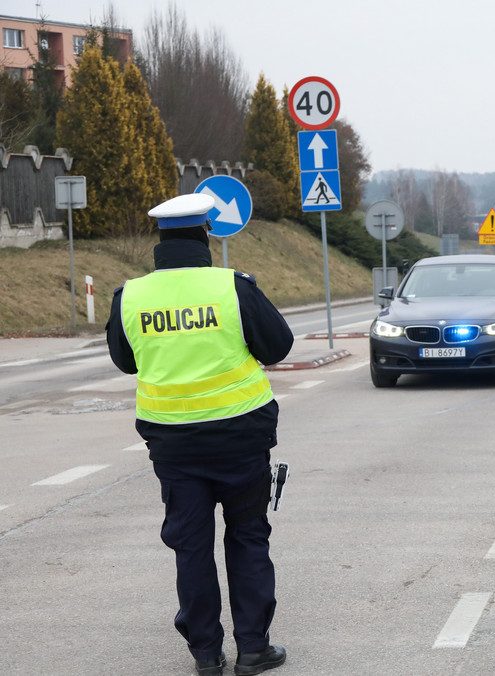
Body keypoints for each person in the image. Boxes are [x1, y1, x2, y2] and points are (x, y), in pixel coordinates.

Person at [105, 193, 293, 676]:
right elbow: (279, 345)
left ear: (160, 242)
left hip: (174, 446)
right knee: (248, 538)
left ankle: (206, 656)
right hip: (241, 438)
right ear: (206, 235)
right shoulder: (233, 287)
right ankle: (253, 649)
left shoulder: (131, 295)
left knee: (191, 547)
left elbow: (126, 360)